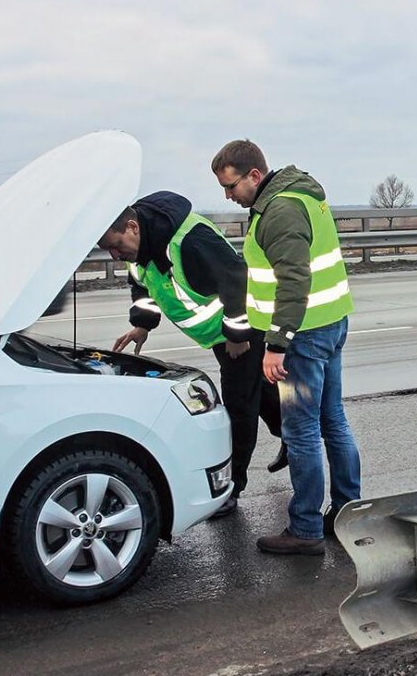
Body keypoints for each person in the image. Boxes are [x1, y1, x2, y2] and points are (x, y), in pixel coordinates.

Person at [211, 140, 359, 556]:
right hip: (329, 325)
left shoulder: (279, 211)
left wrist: (276, 345)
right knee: (333, 420)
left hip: (302, 339)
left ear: (255, 176)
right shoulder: (301, 197)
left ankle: (306, 527)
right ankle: (348, 511)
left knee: (301, 430)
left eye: (231, 186)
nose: (228, 196)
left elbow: (294, 280)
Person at [98, 190, 285, 519]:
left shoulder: (190, 240)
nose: (116, 256)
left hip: (242, 329)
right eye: (109, 250)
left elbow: (236, 279)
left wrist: (238, 333)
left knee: (239, 407)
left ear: (132, 227)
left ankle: (232, 488)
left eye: (116, 245)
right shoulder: (140, 252)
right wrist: (143, 324)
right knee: (263, 393)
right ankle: (295, 441)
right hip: (219, 334)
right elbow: (143, 286)